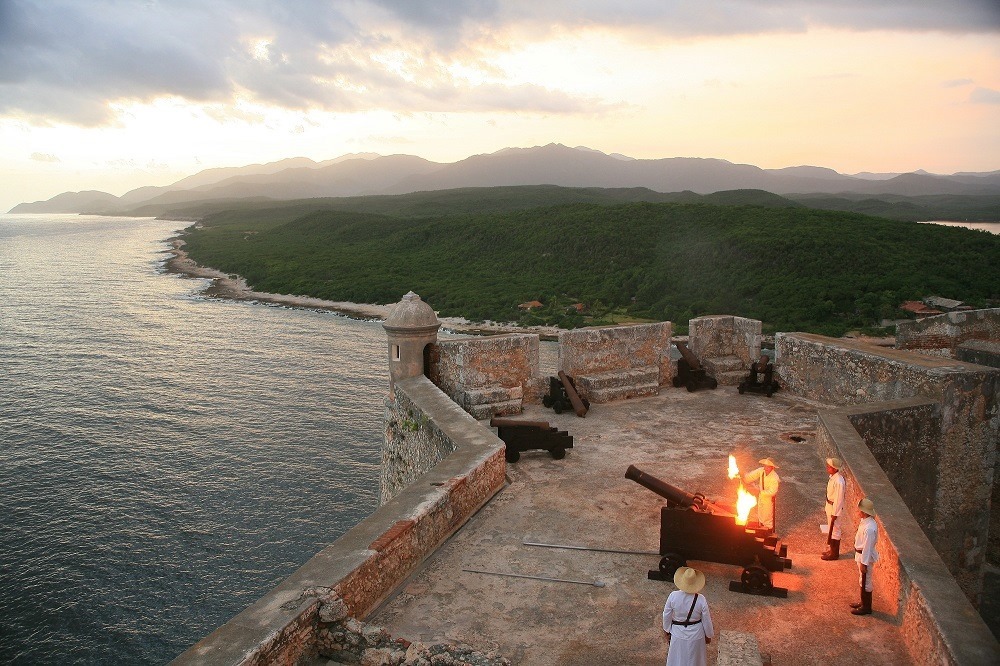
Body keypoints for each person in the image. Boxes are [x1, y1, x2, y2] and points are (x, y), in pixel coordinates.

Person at [662, 566, 715, 666]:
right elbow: (706, 619)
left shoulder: (673, 596)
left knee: (677, 659)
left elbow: (666, 614)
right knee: (695, 660)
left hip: (678, 633)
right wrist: (709, 635)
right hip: (696, 634)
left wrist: (667, 630)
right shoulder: (701, 599)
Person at [851, 497, 879, 616]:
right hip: (861, 555)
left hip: (864, 557)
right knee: (862, 580)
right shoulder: (866, 522)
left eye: (860, 510)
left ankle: (866, 607)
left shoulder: (869, 528)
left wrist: (864, 563)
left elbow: (867, 547)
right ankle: (863, 602)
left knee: (866, 581)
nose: (859, 512)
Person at [743, 457, 780, 531]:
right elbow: (751, 476)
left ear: (772, 467)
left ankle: (768, 532)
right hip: (761, 497)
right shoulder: (761, 471)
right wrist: (744, 478)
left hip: (769, 499)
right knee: (760, 514)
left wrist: (760, 492)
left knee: (767, 517)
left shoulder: (775, 478)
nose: (765, 468)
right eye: (765, 466)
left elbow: (772, 492)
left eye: (768, 466)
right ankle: (761, 531)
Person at [822, 457, 847, 560]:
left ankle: (834, 554)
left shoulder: (839, 481)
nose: (828, 468)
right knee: (831, 529)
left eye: (830, 466)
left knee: (835, 530)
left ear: (835, 469)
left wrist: (835, 513)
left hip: (834, 508)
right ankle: (832, 550)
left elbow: (839, 498)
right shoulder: (833, 478)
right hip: (830, 506)